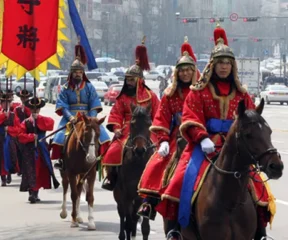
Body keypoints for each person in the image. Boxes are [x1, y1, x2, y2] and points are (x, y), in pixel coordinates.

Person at [155, 24, 273, 238]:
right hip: (204, 144)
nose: (224, 67)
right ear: (212, 65)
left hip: (236, 145)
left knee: (257, 183)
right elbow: (190, 117)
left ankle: (261, 231)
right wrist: (201, 137)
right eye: (220, 63)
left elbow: (251, 118)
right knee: (181, 177)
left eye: (228, 63)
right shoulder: (198, 91)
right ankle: (174, 229)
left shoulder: (242, 93)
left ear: (233, 66)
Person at [137, 37, 200, 220]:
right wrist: (163, 140)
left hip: (201, 136)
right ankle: (149, 201)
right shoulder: (169, 95)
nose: (186, 74)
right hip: (176, 136)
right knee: (158, 161)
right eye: (182, 71)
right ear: (177, 73)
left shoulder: (202, 92)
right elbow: (161, 119)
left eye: (189, 70)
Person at [101, 39, 160, 191]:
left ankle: (159, 179)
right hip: (126, 128)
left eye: (132, 79)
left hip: (147, 129)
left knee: (160, 152)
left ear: (140, 80)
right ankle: (111, 177)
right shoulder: (122, 98)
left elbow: (159, 114)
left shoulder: (151, 96)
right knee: (112, 150)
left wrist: (156, 129)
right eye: (127, 79)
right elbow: (116, 114)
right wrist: (116, 129)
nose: (129, 82)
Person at [51, 42, 111, 169]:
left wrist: (92, 118)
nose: (77, 74)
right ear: (71, 73)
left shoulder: (89, 87)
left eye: (79, 72)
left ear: (83, 73)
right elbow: (62, 104)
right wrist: (70, 117)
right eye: (75, 72)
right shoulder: (65, 88)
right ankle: (61, 161)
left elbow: (94, 103)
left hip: (88, 117)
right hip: (70, 117)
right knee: (59, 138)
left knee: (103, 137)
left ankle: (101, 160)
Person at [18, 97, 55, 203]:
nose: (35, 111)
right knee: (30, 170)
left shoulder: (44, 119)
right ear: (29, 110)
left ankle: (35, 192)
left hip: (41, 149)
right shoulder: (26, 122)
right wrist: (30, 137)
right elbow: (20, 136)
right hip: (29, 150)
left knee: (39, 170)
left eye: (37, 109)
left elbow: (51, 125)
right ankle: (32, 192)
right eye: (33, 109)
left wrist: (38, 119)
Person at [0, 92, 21, 186]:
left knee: (10, 156)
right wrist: (3, 115)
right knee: (0, 158)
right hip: (0, 138)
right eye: (3, 103)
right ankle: (2, 177)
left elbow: (18, 128)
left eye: (7, 103)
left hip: (10, 138)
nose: (5, 104)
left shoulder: (13, 115)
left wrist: (9, 129)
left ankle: (9, 173)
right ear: (1, 104)